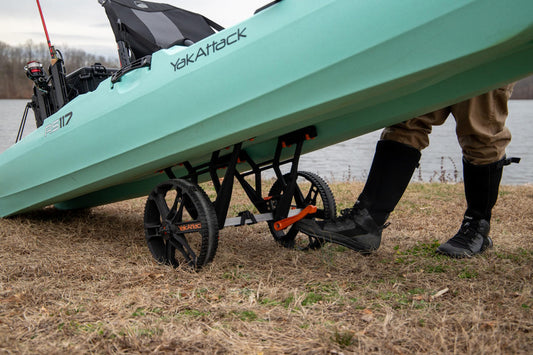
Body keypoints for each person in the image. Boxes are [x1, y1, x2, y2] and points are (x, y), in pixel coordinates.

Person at [297, 84, 518, 258]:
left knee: (480, 131)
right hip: (436, 43)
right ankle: (366, 223)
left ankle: (477, 228)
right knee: (407, 121)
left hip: (484, 47)